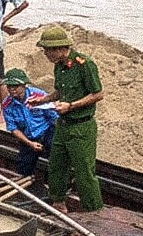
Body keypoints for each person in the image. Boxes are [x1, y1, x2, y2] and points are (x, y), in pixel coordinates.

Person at [27, 26, 104, 212]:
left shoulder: (84, 64)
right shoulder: (59, 67)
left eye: (48, 50)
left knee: (84, 172)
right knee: (57, 166)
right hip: (62, 125)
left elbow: (98, 94)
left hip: (81, 126)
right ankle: (59, 204)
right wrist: (42, 100)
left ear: (60, 48)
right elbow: (61, 91)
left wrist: (71, 106)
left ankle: (93, 211)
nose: (45, 54)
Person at [0, 68, 57, 184]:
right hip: (28, 137)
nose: (12, 90)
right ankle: (27, 185)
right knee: (23, 168)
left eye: (15, 86)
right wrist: (29, 143)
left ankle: (54, 184)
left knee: (56, 158)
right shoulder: (7, 104)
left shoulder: (39, 96)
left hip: (46, 132)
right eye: (9, 86)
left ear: (24, 85)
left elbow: (54, 118)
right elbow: (13, 128)